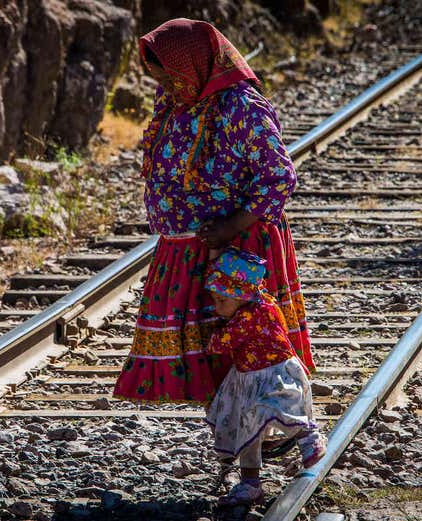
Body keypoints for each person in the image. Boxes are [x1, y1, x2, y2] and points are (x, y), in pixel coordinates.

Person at [113, 18, 313, 406]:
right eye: (162, 79)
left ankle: (276, 416)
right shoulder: (174, 101)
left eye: (171, 78)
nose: (167, 87)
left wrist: (231, 225)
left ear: (194, 65)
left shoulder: (240, 104)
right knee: (210, 353)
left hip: (236, 243)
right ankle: (232, 421)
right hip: (185, 248)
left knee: (248, 343)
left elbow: (278, 175)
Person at [204, 247, 326, 505]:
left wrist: (209, 335)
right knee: (249, 427)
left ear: (240, 296)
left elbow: (220, 344)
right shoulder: (263, 302)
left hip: (269, 374)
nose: (217, 307)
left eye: (221, 300)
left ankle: (307, 436)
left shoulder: (247, 317)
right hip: (251, 375)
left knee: (271, 410)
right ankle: (251, 482)